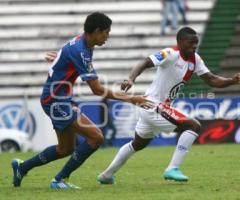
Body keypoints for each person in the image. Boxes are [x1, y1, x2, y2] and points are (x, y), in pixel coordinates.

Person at [11, 12, 153, 190]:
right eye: (106, 33)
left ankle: (22, 168)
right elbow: (98, 90)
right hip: (55, 101)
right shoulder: (81, 51)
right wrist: (132, 99)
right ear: (95, 31)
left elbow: (68, 55)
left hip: (59, 98)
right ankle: (59, 180)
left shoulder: (83, 44)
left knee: (65, 149)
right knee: (96, 137)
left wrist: (61, 58)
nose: (107, 37)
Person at [97, 27, 240, 184]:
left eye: (196, 43)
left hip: (152, 108)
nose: (194, 46)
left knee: (137, 144)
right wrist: (131, 78)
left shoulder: (195, 60)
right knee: (193, 126)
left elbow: (212, 79)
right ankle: (172, 168)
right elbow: (145, 62)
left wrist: (231, 81)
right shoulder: (170, 54)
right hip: (152, 104)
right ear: (180, 42)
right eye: (191, 43)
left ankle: (106, 175)